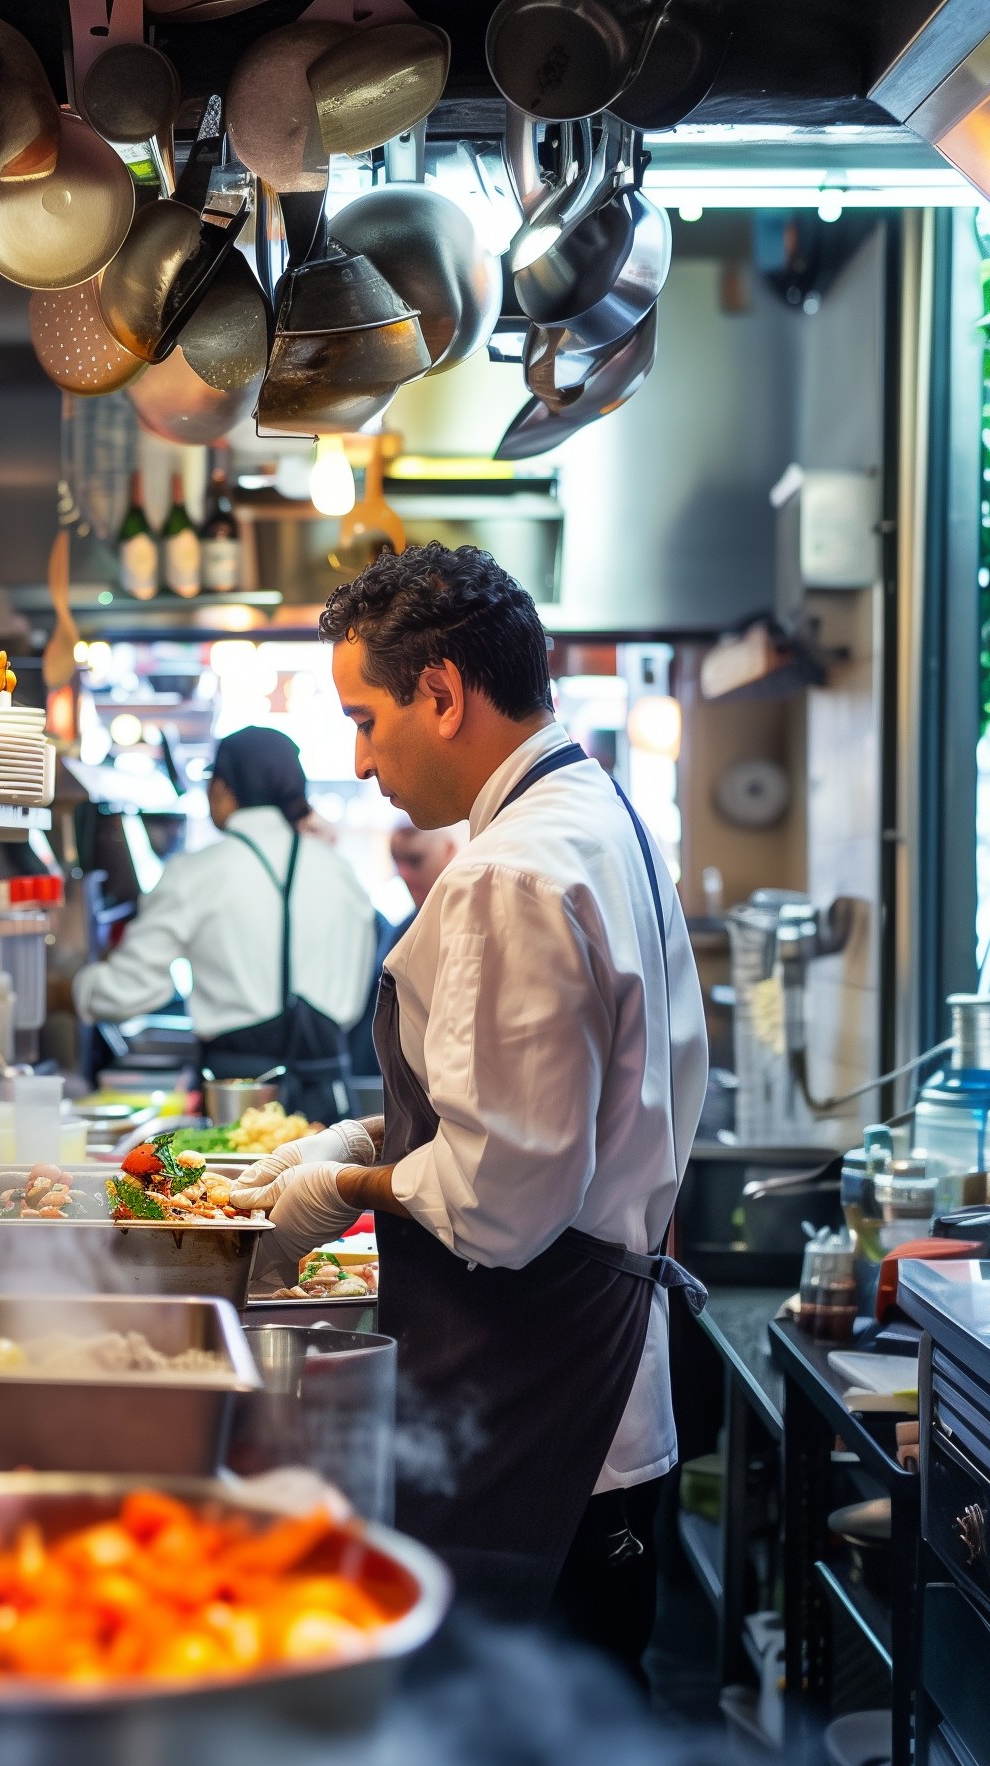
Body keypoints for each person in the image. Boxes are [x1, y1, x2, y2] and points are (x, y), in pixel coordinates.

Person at [233, 543, 707, 1681]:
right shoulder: (598, 814)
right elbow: (536, 1121)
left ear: (441, 693)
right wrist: (369, 1136)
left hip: (541, 1413)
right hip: (586, 1391)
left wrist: (339, 1187)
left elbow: (503, 1204)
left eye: (364, 718)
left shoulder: (512, 870)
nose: (355, 761)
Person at [73, 727, 374, 1122]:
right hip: (329, 1100)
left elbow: (131, 989)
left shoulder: (197, 872)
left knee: (231, 1187)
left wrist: (74, 989)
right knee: (327, 1185)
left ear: (223, 788)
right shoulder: (340, 872)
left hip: (237, 1100)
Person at [349, 817, 461, 1083]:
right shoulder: (401, 930)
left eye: (415, 860)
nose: (404, 873)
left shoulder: (467, 921)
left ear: (449, 851)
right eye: (396, 860)